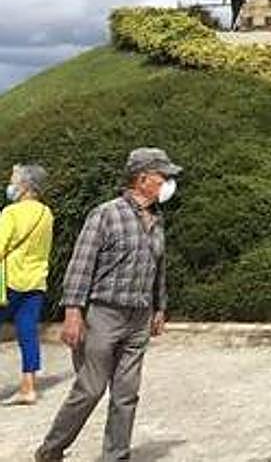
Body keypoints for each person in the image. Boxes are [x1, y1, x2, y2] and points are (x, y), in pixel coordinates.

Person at [36, 148, 180, 462]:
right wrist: (73, 313)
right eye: (163, 176)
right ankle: (51, 449)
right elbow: (81, 264)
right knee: (90, 388)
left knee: (126, 394)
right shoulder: (106, 213)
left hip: (139, 318)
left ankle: (116, 455)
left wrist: (159, 308)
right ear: (142, 179)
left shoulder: (156, 220)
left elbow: (158, 269)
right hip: (103, 315)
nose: (168, 182)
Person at [0, 165, 54, 406]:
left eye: (13, 180)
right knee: (28, 332)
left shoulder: (11, 213)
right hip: (35, 281)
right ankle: (28, 387)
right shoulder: (46, 213)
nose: (10, 185)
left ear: (24, 185)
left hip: (8, 281)